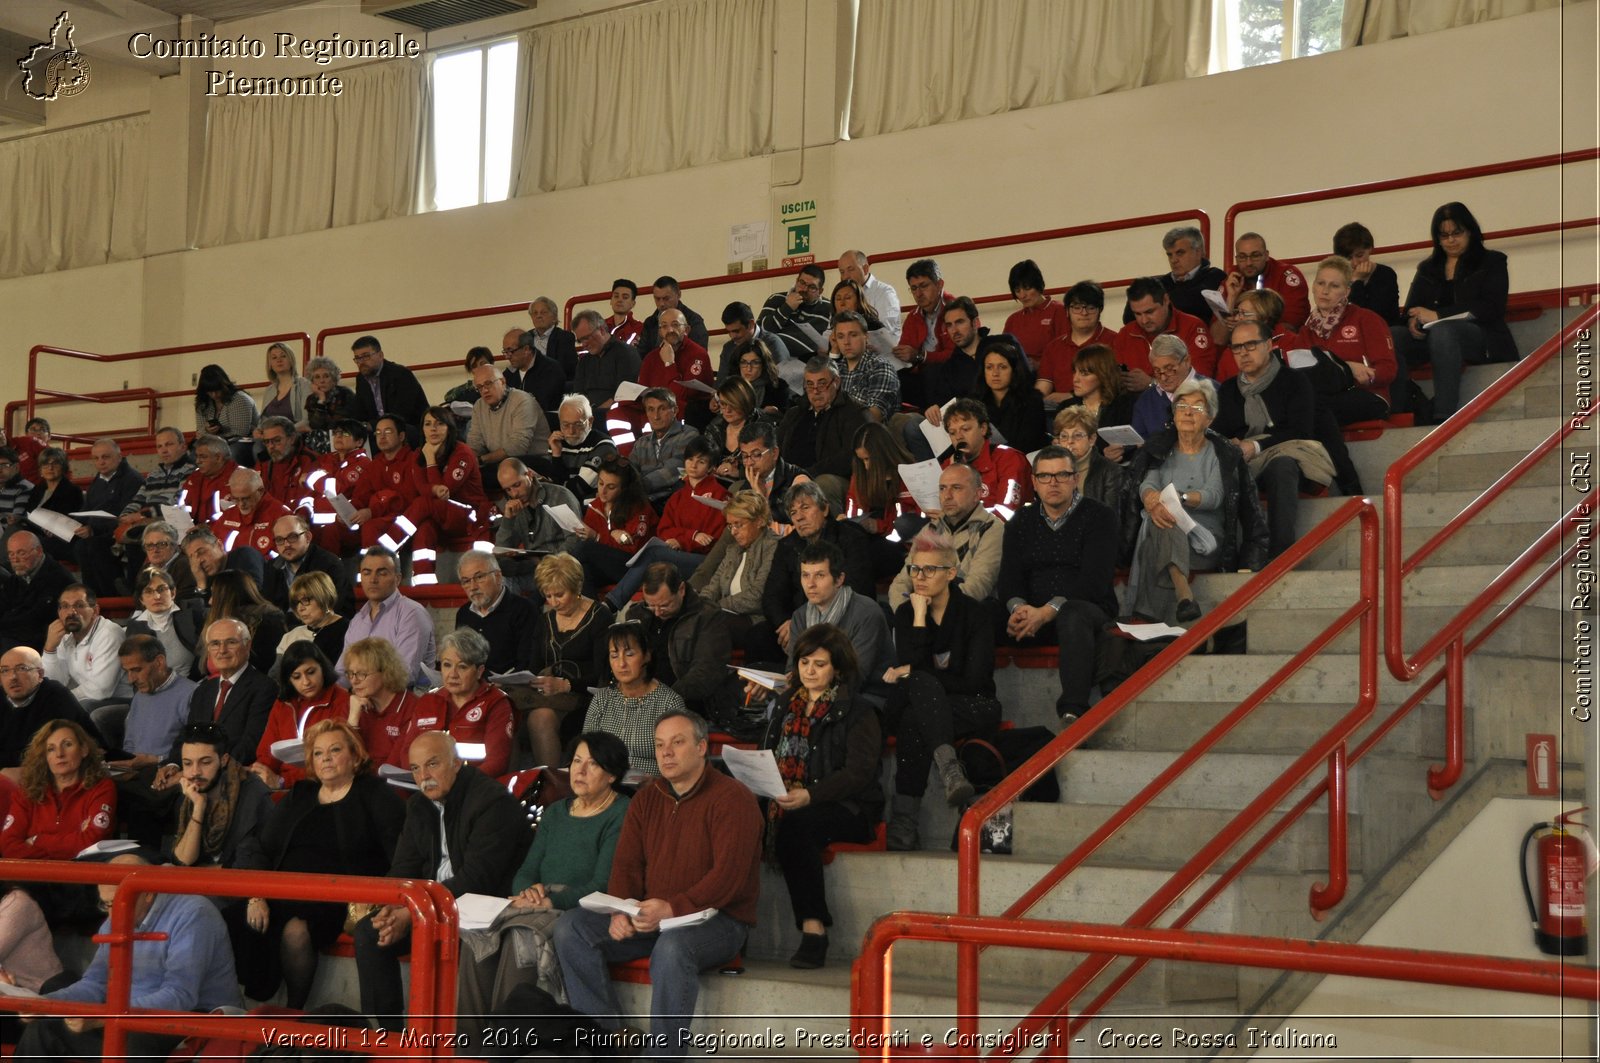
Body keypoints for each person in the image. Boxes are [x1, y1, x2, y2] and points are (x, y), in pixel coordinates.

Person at [551, 709, 760, 1058]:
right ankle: (607, 1038)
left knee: (673, 948)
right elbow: (628, 863)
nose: (666, 752)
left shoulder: (733, 798)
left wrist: (673, 907)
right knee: (571, 928)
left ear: (701, 747)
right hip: (653, 915)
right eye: (660, 744)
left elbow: (729, 878)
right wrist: (619, 908)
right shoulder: (648, 797)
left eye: (677, 743)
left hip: (719, 920)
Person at [457, 731, 630, 1046]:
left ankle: (506, 1045)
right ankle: (468, 1044)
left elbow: (601, 884)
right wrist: (527, 891)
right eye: (576, 761)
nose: (579, 771)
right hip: (536, 900)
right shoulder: (555, 812)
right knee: (475, 938)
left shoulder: (621, 813)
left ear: (612, 775)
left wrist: (550, 899)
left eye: (592, 765)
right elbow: (526, 870)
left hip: (576, 906)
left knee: (519, 938)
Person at [354, 730, 531, 1032]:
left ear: (457, 762)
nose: (424, 776)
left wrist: (413, 914)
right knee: (370, 931)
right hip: (431, 908)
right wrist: (391, 908)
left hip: (479, 911)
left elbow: (478, 879)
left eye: (433, 764)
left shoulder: (491, 802)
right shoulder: (418, 806)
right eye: (415, 769)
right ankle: (392, 1035)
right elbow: (403, 868)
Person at [17, 850, 239, 1063]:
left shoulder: (193, 913)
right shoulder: (115, 919)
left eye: (117, 902)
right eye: (105, 904)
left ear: (149, 894)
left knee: (133, 1040)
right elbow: (97, 983)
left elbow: (179, 997)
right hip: (127, 1012)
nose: (111, 914)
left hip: (195, 1017)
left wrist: (105, 1016)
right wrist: (48, 1004)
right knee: (43, 1026)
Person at [249, 719, 405, 1006]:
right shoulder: (301, 794)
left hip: (341, 898)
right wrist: (255, 894)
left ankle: (293, 1016)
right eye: (318, 753)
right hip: (283, 891)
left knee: (295, 930)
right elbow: (262, 846)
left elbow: (401, 855)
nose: (326, 759)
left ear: (355, 755)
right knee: (234, 919)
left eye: (334, 750)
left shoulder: (375, 794)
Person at [760, 624, 881, 968]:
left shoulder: (858, 710)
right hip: (789, 797)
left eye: (819, 664)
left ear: (837, 669)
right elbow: (766, 751)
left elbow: (859, 774)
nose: (809, 671)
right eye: (804, 663)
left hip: (848, 807)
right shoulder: (785, 703)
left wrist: (810, 795)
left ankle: (814, 930)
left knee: (796, 827)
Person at [881, 529, 1001, 850]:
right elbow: (914, 672)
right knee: (917, 697)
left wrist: (921, 676)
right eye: (915, 569)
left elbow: (975, 681)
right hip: (935, 704)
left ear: (951, 573)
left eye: (929, 570)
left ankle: (905, 820)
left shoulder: (976, 614)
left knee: (915, 711)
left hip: (973, 704)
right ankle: (949, 769)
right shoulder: (908, 613)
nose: (919, 577)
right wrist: (920, 619)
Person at [1127, 377, 1268, 625]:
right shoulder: (1163, 449)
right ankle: (1184, 597)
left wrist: (1178, 498)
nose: (1188, 413)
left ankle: (1146, 616)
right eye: (1182, 406)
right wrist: (1150, 498)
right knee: (1164, 522)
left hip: (1204, 540)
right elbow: (1149, 483)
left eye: (1197, 408)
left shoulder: (1218, 452)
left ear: (1209, 419)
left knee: (1162, 523)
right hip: (1169, 532)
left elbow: (1213, 496)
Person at [998, 446, 1120, 725]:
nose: (1053, 483)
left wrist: (1048, 611)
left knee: (1072, 613)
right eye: (1045, 476)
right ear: (1034, 482)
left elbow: (1094, 582)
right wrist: (1020, 609)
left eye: (1062, 475)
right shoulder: (1021, 521)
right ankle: (978, 703)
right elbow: (1009, 579)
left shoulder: (1100, 516)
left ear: (1075, 478)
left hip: (1087, 612)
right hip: (1032, 618)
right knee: (979, 613)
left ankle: (1073, 710)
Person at [165, 720, 274, 992]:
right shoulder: (189, 795)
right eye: (187, 764)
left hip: (239, 890)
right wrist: (198, 808)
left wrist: (199, 876)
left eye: (204, 762)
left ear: (224, 759)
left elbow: (252, 858)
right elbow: (184, 859)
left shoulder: (252, 793)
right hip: (202, 888)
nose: (195, 772)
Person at [1392, 201, 1518, 422]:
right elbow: (1412, 308)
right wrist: (1413, 321)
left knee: (1444, 332)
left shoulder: (1493, 261)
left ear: (1470, 231)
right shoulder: (1428, 268)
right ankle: (1401, 409)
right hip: (1431, 336)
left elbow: (1492, 307)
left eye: (1456, 233)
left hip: (1482, 336)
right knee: (1392, 336)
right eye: (1443, 235)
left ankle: (1443, 413)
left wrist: (1439, 316)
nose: (1450, 240)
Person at [1212, 319, 1325, 560]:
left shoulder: (1293, 381)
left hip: (1287, 458)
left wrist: (1255, 445)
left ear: (1268, 345)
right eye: (1236, 347)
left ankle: (1280, 555)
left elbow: (1301, 431)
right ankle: (1229, 554)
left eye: (1250, 345)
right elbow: (1218, 431)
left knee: (1282, 465)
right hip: (1244, 463)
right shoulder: (1229, 389)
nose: (1243, 353)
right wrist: (1230, 444)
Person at [603, 439, 727, 610]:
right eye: (690, 459)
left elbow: (712, 540)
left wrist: (684, 539)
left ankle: (610, 604)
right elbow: (664, 531)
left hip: (706, 562)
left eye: (701, 461)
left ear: (711, 467)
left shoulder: (720, 495)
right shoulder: (677, 497)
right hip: (678, 554)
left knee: (653, 554)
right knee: (654, 554)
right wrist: (689, 536)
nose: (693, 465)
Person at [524, 553, 614, 770]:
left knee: (540, 718)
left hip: (587, 696)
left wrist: (566, 685)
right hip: (549, 696)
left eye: (560, 595)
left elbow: (604, 672)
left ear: (577, 588)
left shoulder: (599, 616)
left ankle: (553, 787)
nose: (553, 603)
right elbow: (533, 666)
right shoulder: (545, 620)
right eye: (548, 596)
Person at [761, 482, 874, 654]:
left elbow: (856, 588)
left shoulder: (851, 538)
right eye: (793, 512)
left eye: (805, 508)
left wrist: (803, 624)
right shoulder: (787, 545)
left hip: (843, 619)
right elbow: (772, 594)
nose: (798, 517)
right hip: (797, 621)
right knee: (758, 636)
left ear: (825, 509)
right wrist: (785, 622)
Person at [621, 564, 735, 723]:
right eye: (651, 605)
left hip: (687, 704)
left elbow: (706, 671)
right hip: (640, 699)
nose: (657, 613)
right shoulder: (637, 614)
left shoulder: (707, 616)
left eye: (665, 605)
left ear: (681, 589)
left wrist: (662, 699)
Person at [1295, 255, 1399, 425]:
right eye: (1320, 283)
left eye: (1334, 286)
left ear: (1347, 291)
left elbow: (1388, 370)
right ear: (1313, 286)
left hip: (1369, 394)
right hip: (1325, 397)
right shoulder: (1306, 330)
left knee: (1314, 410)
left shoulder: (1366, 319)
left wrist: (1363, 375)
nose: (1325, 291)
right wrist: (1346, 368)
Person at [886, 462, 1003, 608]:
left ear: (977, 494)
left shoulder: (992, 528)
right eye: (942, 488)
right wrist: (906, 614)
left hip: (968, 617)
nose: (947, 496)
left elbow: (978, 586)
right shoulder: (930, 529)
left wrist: (930, 611)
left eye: (956, 488)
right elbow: (902, 582)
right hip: (922, 615)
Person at [784, 543, 893, 698]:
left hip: (866, 697)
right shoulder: (800, 616)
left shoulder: (867, 612)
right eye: (805, 575)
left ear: (839, 579)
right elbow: (793, 669)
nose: (810, 584)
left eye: (820, 575)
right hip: (815, 693)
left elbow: (856, 676)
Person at [394, 407, 489, 585]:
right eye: (428, 424)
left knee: (423, 504)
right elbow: (424, 489)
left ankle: (388, 547)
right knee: (424, 528)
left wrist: (430, 460)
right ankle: (424, 583)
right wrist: (430, 467)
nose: (433, 429)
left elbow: (445, 493)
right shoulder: (418, 455)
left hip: (469, 516)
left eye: (439, 424)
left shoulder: (463, 453)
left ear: (449, 428)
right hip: (441, 515)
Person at [0, 719, 115, 858]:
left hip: (82, 873)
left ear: (84, 750)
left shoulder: (102, 787)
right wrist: (54, 859)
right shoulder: (28, 790)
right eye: (51, 749)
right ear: (44, 756)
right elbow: (8, 845)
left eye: (67, 744)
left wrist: (37, 840)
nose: (59, 754)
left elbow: (91, 842)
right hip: (33, 875)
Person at [583, 621, 686, 774]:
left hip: (652, 787)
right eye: (614, 656)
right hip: (606, 784)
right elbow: (586, 750)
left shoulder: (669, 702)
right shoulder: (602, 699)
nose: (621, 663)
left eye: (630, 654)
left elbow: (678, 758)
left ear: (647, 656)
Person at [249, 642, 351, 790]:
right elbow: (267, 751)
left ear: (322, 668)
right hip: (281, 784)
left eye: (311, 672)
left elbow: (334, 761)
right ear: (288, 680)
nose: (306, 682)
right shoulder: (283, 703)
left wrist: (283, 781)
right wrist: (261, 773)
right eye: (296, 677)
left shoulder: (341, 700)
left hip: (323, 785)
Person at [689, 491, 780, 656]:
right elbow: (713, 585)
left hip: (754, 621)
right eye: (731, 526)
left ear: (759, 521)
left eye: (739, 524)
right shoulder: (733, 549)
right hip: (722, 613)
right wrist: (700, 603)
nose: (733, 532)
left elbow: (757, 596)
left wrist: (714, 607)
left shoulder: (773, 547)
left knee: (708, 622)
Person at [338, 547, 437, 689]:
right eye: (366, 573)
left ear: (397, 579)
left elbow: (405, 675)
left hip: (407, 702)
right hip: (365, 699)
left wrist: (364, 689)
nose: (373, 580)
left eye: (382, 573)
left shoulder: (412, 613)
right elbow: (343, 672)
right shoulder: (357, 620)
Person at [421, 628, 515, 777]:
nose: (453, 674)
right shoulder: (429, 700)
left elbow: (497, 762)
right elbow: (407, 750)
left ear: (479, 671)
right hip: (426, 784)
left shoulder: (496, 703)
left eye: (462, 667)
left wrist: (457, 785)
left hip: (476, 788)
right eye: (447, 665)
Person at [777, 357, 870, 502]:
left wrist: (807, 474)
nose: (815, 391)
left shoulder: (855, 413)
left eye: (822, 384)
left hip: (831, 478)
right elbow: (776, 446)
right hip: (791, 477)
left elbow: (849, 458)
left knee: (823, 484)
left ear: (836, 382)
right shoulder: (794, 413)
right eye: (809, 384)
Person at [0, 647, 102, 773]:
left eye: (22, 669)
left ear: (40, 674)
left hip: (71, 771)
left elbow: (44, 753)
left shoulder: (55, 696)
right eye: (5, 670)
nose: (12, 677)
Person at [492, 458, 583, 595]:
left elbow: (575, 539)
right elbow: (501, 551)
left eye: (517, 485)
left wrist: (547, 562)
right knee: (501, 577)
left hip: (560, 570)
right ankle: (513, 616)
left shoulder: (560, 496)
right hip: (533, 571)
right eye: (508, 490)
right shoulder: (515, 506)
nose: (514, 493)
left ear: (529, 475)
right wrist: (508, 520)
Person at [1052, 406, 1132, 562]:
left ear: (1092, 439)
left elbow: (1110, 523)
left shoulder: (1111, 472)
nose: (1069, 442)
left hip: (1096, 544)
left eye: (1077, 436)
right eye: (1064, 436)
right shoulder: (1052, 470)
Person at [113, 426, 196, 572]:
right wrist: (125, 516)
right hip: (146, 519)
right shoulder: (153, 474)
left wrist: (142, 515)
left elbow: (177, 503)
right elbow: (138, 499)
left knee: (141, 534)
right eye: (160, 446)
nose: (164, 450)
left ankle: (138, 584)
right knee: (114, 535)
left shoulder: (191, 470)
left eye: (169, 444)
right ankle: (130, 585)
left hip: (171, 519)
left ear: (183, 446)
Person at [570, 459, 657, 596]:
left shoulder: (639, 509)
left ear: (624, 489)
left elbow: (632, 550)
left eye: (611, 487)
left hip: (637, 568)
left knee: (584, 550)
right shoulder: (595, 506)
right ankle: (593, 612)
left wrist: (597, 537)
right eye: (600, 483)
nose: (603, 491)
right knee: (579, 572)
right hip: (608, 567)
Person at [71, 438, 145, 597]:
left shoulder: (132, 479)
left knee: (93, 546)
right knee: (79, 546)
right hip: (96, 533)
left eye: (106, 457)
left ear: (119, 457)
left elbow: (124, 516)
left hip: (118, 533)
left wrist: (93, 529)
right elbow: (87, 510)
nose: (101, 462)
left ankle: (111, 595)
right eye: (96, 458)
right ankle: (92, 595)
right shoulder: (97, 481)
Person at [344, 636, 432, 771]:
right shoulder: (354, 705)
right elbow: (343, 762)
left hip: (391, 785)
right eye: (350, 674)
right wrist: (353, 721)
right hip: (359, 783)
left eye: (362, 674)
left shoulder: (412, 707)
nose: (354, 681)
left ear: (385, 672)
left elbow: (395, 767)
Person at [111, 633, 197, 769]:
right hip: (136, 774)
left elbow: (198, 751)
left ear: (159, 662)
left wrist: (157, 760)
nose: (130, 679)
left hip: (168, 774)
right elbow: (130, 744)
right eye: (127, 671)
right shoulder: (140, 696)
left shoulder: (192, 694)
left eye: (136, 670)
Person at [844, 422, 918, 579]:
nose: (866, 466)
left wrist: (877, 526)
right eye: (861, 460)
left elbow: (910, 525)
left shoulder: (909, 475)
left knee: (865, 557)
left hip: (900, 545)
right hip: (867, 539)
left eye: (868, 459)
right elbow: (853, 512)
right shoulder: (859, 476)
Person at [41, 584, 132, 708]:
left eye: (79, 605)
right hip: (89, 698)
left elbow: (100, 690)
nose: (71, 612)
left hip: (119, 701)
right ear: (59, 612)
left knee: (79, 707)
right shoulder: (64, 635)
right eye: (65, 606)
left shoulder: (109, 634)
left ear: (95, 611)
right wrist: (49, 649)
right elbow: (54, 682)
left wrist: (59, 699)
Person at [1210, 231, 1310, 343]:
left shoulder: (1285, 276)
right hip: (1238, 347)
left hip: (1277, 347)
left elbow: (1291, 326)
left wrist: (1246, 326)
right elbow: (1217, 339)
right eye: (1242, 257)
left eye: (1255, 256)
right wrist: (1231, 299)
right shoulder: (1230, 280)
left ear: (1266, 255)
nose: (1248, 263)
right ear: (1236, 258)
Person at [1115, 276, 1215, 387]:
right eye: (1137, 314)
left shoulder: (1193, 327)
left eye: (1150, 312)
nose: (1144, 320)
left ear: (1166, 300)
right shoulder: (1126, 334)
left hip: (1181, 402)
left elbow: (1200, 381)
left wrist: (1152, 383)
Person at [942, 398, 1032, 517]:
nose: (958, 437)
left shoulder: (1009, 459)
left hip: (1003, 532)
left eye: (965, 429)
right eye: (952, 433)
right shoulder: (948, 466)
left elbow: (1007, 512)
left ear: (983, 428)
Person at [454, 550, 537, 679]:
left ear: (498, 577)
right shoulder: (464, 614)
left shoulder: (523, 610)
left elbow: (527, 663)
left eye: (479, 577)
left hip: (510, 690)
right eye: (466, 581)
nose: (473, 587)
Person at [1050, 343, 1138, 462]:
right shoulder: (1066, 407)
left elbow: (1133, 446)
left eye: (1084, 374)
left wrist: (1115, 454)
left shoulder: (1124, 406)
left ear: (1102, 375)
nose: (1075, 379)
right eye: (1074, 372)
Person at [347, 414, 422, 550]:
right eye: (378, 433)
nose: (382, 437)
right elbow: (361, 495)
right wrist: (349, 511)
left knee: (371, 527)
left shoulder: (412, 461)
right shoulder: (374, 464)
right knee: (334, 527)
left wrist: (372, 511)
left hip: (405, 518)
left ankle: (373, 568)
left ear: (401, 436)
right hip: (379, 516)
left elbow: (406, 500)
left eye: (388, 432)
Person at [1037, 282, 1120, 404]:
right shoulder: (1054, 347)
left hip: (1102, 409)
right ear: (1067, 311)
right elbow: (1043, 387)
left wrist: (1071, 397)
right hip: (1060, 413)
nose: (1084, 313)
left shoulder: (1115, 341)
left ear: (1100, 310)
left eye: (1090, 307)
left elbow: (1115, 385)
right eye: (1077, 308)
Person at [468, 362, 549, 479]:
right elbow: (475, 442)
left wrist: (481, 460)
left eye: (488, 384)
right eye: (479, 387)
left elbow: (518, 447)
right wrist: (469, 461)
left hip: (532, 461)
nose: (484, 390)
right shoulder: (479, 406)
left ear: (502, 381)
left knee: (486, 475)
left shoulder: (522, 400)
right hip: (500, 462)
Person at [262, 513, 353, 616]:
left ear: (308, 537)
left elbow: (337, 610)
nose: (286, 544)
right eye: (279, 540)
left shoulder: (329, 565)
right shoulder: (271, 568)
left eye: (292, 537)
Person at [638, 308, 715, 428]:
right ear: (659, 332)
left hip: (688, 418)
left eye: (675, 325)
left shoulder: (698, 354)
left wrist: (669, 363)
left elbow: (682, 397)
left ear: (686, 330)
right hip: (655, 416)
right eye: (664, 326)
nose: (670, 330)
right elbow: (643, 395)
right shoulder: (650, 358)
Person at [204, 570, 287, 677]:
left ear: (227, 598)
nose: (210, 601)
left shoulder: (267, 623)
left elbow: (262, 668)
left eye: (214, 595)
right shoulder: (217, 626)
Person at [0, 532, 73, 654]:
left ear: (38, 551)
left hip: (42, 642)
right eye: (11, 554)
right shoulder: (17, 578)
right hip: (16, 634)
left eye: (21, 553)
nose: (16, 560)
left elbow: (34, 618)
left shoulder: (58, 578)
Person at [975, 333, 1048, 454]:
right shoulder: (974, 402)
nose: (995, 373)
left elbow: (1028, 445)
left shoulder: (1032, 401)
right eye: (989, 367)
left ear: (1014, 370)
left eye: (1002, 367)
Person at [350, 335, 431, 441]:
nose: (361, 362)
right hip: (380, 431)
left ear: (380, 355)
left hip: (410, 428)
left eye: (366, 356)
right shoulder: (361, 379)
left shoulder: (401, 374)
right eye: (357, 358)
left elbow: (402, 414)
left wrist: (373, 426)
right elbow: (360, 411)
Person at [758, 265, 833, 378]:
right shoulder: (777, 299)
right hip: (772, 356)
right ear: (796, 281)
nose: (804, 289)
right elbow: (760, 332)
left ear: (820, 291)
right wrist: (786, 308)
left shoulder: (829, 309)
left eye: (811, 287)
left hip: (806, 361)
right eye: (802, 283)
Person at [627, 388, 699, 507]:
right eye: (651, 409)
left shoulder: (689, 435)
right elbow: (630, 472)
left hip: (675, 503)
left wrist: (637, 487)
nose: (656, 416)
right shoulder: (641, 443)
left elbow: (677, 470)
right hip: (644, 502)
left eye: (662, 409)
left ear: (675, 410)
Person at [1130, 334, 1204, 443]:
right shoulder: (1146, 400)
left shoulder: (1214, 392)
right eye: (1157, 371)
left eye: (1169, 369)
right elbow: (1138, 443)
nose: (1163, 377)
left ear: (1187, 361)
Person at [542, 395, 616, 500]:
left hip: (589, 506)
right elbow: (552, 484)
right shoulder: (556, 443)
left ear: (590, 421)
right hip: (561, 503)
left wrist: (551, 487)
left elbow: (578, 489)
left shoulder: (604, 447)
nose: (571, 431)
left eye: (578, 424)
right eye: (565, 425)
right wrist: (556, 455)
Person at [832, 310, 900, 422]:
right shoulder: (836, 369)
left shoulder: (880, 367)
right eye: (840, 336)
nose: (846, 342)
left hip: (868, 435)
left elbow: (873, 417)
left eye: (853, 335)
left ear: (866, 336)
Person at [210, 466, 293, 558]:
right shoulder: (228, 515)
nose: (241, 504)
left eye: (246, 498)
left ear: (261, 491)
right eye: (236, 499)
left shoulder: (281, 515)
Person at [728, 420, 808, 515]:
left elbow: (800, 526)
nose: (749, 463)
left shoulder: (798, 481)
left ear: (774, 453)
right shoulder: (750, 479)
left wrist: (762, 499)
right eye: (745, 456)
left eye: (756, 455)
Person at [572, 309, 644, 410]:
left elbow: (624, 396)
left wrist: (594, 413)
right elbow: (578, 397)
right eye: (580, 340)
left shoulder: (625, 353)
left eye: (587, 338)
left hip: (617, 413)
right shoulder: (584, 362)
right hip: (588, 415)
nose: (584, 344)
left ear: (601, 330)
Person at [1155, 224, 1228, 325]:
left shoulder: (1216, 277)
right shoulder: (1160, 283)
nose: (1173, 260)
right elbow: (1129, 315)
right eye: (1170, 255)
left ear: (1198, 252)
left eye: (1180, 253)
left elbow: (1195, 305)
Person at [1333, 221, 1402, 325]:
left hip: (1383, 331)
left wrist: (1357, 282)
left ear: (1370, 249)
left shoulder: (1386, 274)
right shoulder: (1336, 278)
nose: (1355, 263)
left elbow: (1372, 317)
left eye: (1360, 255)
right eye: (1348, 258)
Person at [273, 570, 350, 664]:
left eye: (305, 600)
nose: (300, 608)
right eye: (296, 603)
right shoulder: (291, 636)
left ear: (324, 597)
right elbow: (275, 675)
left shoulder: (349, 630)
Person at [1002, 259, 1069, 366]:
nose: (1022, 295)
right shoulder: (1012, 320)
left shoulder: (1059, 311)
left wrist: (1039, 365)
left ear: (1038, 284)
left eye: (1027, 288)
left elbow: (1067, 352)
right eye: (1017, 290)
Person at [23, 446, 82, 562]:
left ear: (63, 468)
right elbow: (29, 513)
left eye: (55, 464)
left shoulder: (73, 491)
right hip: (36, 533)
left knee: (27, 544)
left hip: (60, 538)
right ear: (40, 470)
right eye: (45, 464)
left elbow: (73, 519)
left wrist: (53, 528)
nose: (50, 468)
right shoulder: (37, 490)